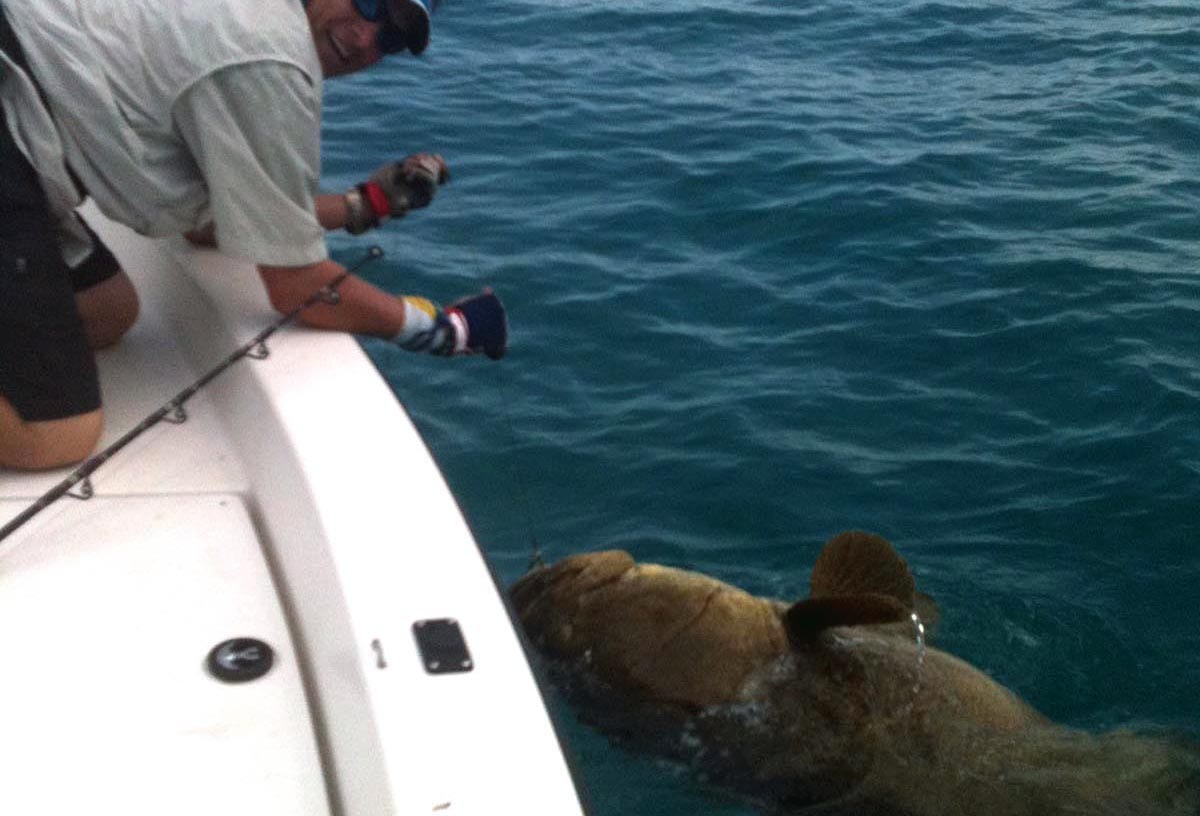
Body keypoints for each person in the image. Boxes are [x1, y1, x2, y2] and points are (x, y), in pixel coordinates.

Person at [0, 0, 506, 471]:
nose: (365, 35)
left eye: (392, 37)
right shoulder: (270, 63)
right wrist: (440, 330)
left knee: (107, 312)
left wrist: (367, 204)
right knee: (58, 433)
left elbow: (213, 223)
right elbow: (298, 286)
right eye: (371, 2)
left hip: (22, 119)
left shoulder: (261, 22)